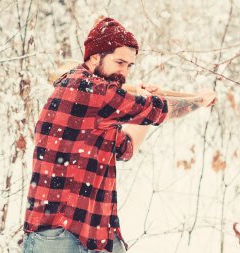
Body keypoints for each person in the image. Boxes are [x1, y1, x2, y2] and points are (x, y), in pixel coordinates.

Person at [21, 17, 217, 253]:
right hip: (58, 237)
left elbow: (127, 147)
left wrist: (145, 101)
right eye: (119, 62)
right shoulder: (86, 89)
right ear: (95, 57)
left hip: (93, 232)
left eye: (129, 66)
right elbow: (157, 111)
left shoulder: (99, 107)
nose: (124, 72)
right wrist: (198, 100)